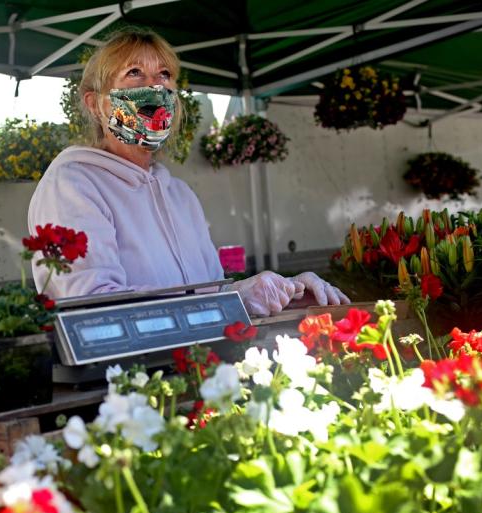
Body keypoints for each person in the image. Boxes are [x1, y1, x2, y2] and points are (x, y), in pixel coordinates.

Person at [27, 27, 350, 316]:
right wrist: (234, 299)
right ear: (97, 105)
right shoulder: (72, 186)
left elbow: (209, 295)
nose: (154, 87)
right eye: (134, 73)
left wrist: (285, 295)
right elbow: (94, 310)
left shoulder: (179, 195)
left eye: (164, 74)